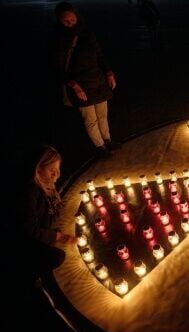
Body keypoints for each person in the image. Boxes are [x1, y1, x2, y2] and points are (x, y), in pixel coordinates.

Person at [50, 1, 121, 158]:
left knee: (102, 114)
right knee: (91, 119)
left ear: (77, 16)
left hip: (98, 80)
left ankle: (108, 140)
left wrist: (109, 72)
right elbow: (57, 69)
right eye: (65, 21)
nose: (70, 24)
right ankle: (100, 147)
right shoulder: (58, 39)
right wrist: (74, 85)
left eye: (72, 20)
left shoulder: (86, 33)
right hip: (80, 86)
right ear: (59, 21)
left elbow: (99, 55)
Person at [18, 145, 76, 282]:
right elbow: (29, 231)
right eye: (51, 170)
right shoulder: (29, 194)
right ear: (37, 169)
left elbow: (51, 214)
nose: (56, 174)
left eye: (58, 169)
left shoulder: (46, 186)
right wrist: (58, 236)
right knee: (57, 257)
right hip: (22, 242)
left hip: (36, 229)